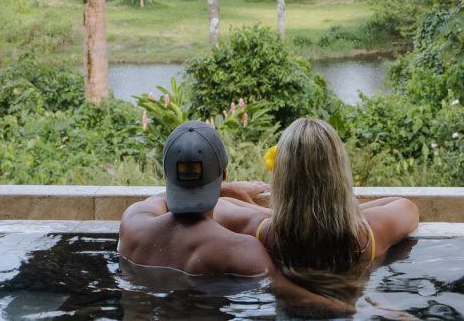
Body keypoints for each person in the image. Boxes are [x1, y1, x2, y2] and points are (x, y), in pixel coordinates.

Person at [118, 120, 353, 317]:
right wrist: (351, 308)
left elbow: (159, 198)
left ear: (166, 174)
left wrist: (224, 189)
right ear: (223, 173)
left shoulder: (133, 223)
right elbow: (296, 298)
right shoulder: (240, 250)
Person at [214, 117, 420, 299]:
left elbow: (219, 205)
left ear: (282, 178)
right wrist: (345, 211)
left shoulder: (264, 234)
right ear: (339, 176)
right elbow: (406, 206)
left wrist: (280, 214)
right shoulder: (368, 235)